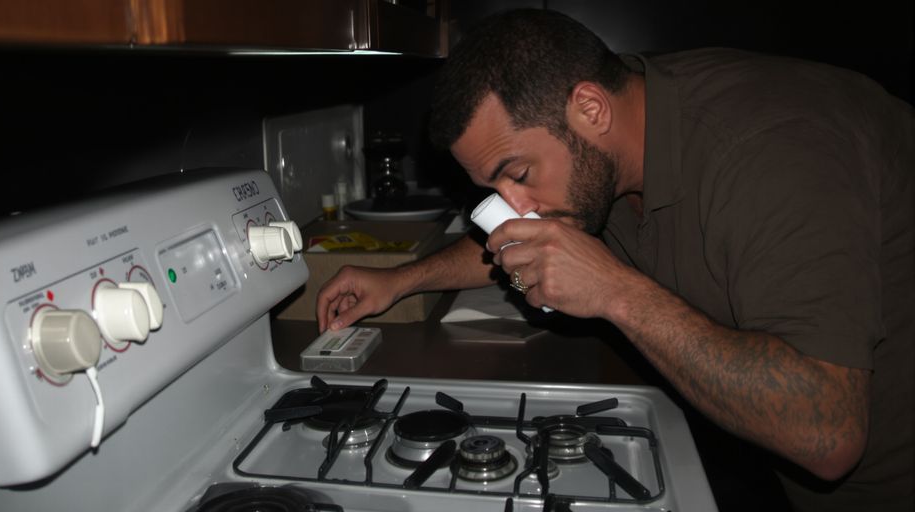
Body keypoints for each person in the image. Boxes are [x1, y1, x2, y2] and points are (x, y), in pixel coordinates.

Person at [315, 9, 913, 512]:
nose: (514, 211)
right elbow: (522, 242)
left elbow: (828, 433)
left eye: (519, 176)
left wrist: (615, 292)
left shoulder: (777, 151)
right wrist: (401, 281)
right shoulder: (615, 127)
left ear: (591, 110)